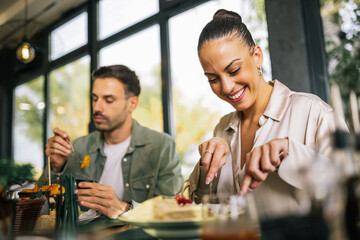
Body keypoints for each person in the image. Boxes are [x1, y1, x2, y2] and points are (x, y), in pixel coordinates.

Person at [185, 9, 348, 216]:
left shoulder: (315, 114)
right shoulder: (222, 128)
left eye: (234, 70)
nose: (226, 87)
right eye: (213, 79)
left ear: (257, 57)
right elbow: (196, 206)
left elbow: (351, 191)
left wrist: (289, 152)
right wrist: (206, 163)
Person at [38, 65, 184, 219]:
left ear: (132, 104)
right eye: (95, 99)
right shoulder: (78, 147)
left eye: (108, 100)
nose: (97, 107)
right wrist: (55, 168)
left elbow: (173, 210)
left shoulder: (161, 146)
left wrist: (125, 209)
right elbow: (40, 208)